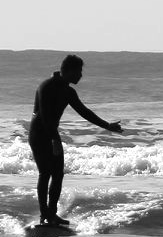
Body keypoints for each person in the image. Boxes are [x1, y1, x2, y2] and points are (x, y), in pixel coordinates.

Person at [29, 55, 122, 227]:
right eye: (78, 72)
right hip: (39, 134)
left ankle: (52, 214)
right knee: (45, 173)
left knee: (58, 174)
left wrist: (107, 125)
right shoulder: (47, 86)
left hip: (51, 134)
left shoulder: (68, 91)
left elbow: (84, 111)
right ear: (68, 71)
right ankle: (44, 216)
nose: (80, 76)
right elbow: (46, 117)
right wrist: (55, 140)